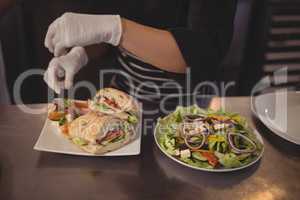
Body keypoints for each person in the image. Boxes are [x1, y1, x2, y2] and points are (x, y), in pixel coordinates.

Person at [43, 1, 237, 102]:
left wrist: (114, 29)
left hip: (183, 107)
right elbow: (107, 26)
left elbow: (200, 53)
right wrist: (80, 52)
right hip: (122, 95)